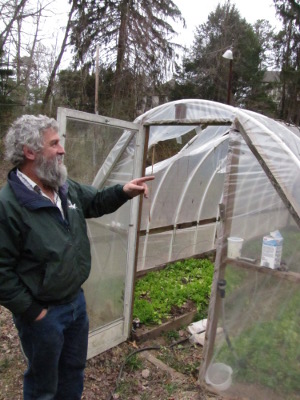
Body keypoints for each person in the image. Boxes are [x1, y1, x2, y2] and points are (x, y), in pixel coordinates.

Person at [0, 114, 154, 400]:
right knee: (43, 385)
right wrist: (34, 312)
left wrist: (123, 191)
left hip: (75, 304)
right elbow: (1, 272)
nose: (62, 149)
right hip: (43, 315)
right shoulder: (9, 205)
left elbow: (94, 201)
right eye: (54, 143)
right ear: (30, 152)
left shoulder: (62, 187)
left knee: (73, 372)